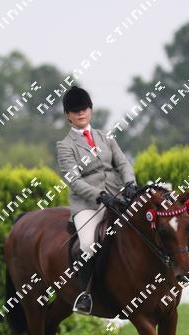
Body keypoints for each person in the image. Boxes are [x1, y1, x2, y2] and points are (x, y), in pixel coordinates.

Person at [56, 86, 138, 314]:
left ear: (90, 110)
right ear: (68, 115)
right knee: (87, 245)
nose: (81, 113)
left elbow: (123, 163)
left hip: (118, 197)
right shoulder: (65, 146)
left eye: (84, 108)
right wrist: (99, 195)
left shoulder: (106, 137)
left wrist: (129, 183)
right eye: (75, 110)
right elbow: (74, 180)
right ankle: (86, 294)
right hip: (88, 205)